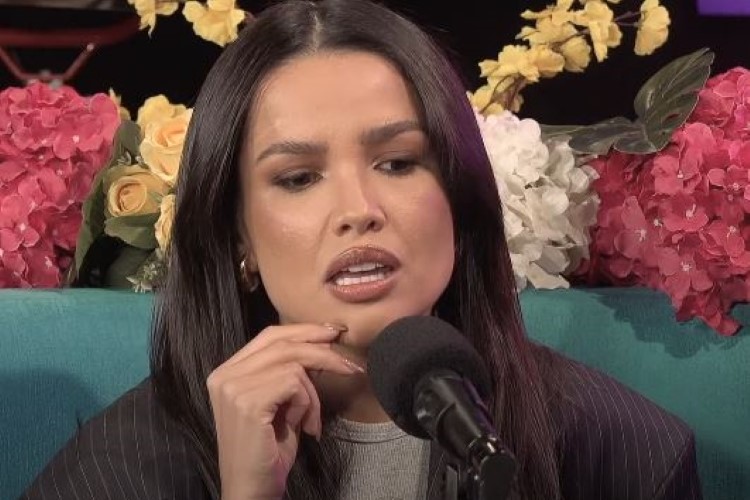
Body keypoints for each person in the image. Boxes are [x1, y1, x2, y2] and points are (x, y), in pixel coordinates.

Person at [21, 0, 702, 498]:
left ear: (459, 200)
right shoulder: (120, 469)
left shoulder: (625, 454)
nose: (358, 211)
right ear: (239, 239)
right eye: (298, 178)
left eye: (398, 163)